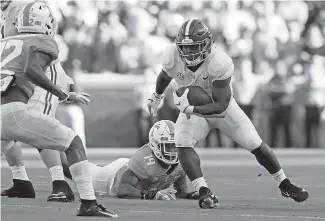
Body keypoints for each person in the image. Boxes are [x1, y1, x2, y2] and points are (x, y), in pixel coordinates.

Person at [147, 19, 309, 209]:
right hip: (193, 110)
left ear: (206, 45)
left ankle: (284, 184)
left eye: (194, 48)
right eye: (185, 48)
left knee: (254, 143)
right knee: (182, 141)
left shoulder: (219, 62)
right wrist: (157, 96)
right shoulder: (172, 56)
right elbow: (164, 75)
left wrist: (191, 109)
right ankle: (204, 191)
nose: (189, 53)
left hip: (221, 109)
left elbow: (221, 105)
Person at [0, 1, 117, 217]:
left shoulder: (5, 42)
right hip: (14, 113)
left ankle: (27, 181)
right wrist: (63, 94)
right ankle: (89, 203)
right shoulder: (44, 40)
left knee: (9, 142)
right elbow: (33, 69)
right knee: (74, 144)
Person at [1, 0, 75, 202]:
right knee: (7, 130)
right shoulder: (7, 9)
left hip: (42, 74)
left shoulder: (23, 6)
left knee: (38, 124)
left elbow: (24, 47)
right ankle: (21, 181)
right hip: (17, 76)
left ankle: (60, 183)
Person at [61, 120, 199, 200]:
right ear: (155, 145)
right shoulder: (144, 161)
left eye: (175, 146)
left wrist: (194, 195)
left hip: (131, 170)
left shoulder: (182, 161)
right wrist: (151, 195)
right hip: (112, 178)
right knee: (73, 170)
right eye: (168, 146)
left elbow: (181, 190)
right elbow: (122, 189)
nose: (174, 151)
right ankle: (54, 150)